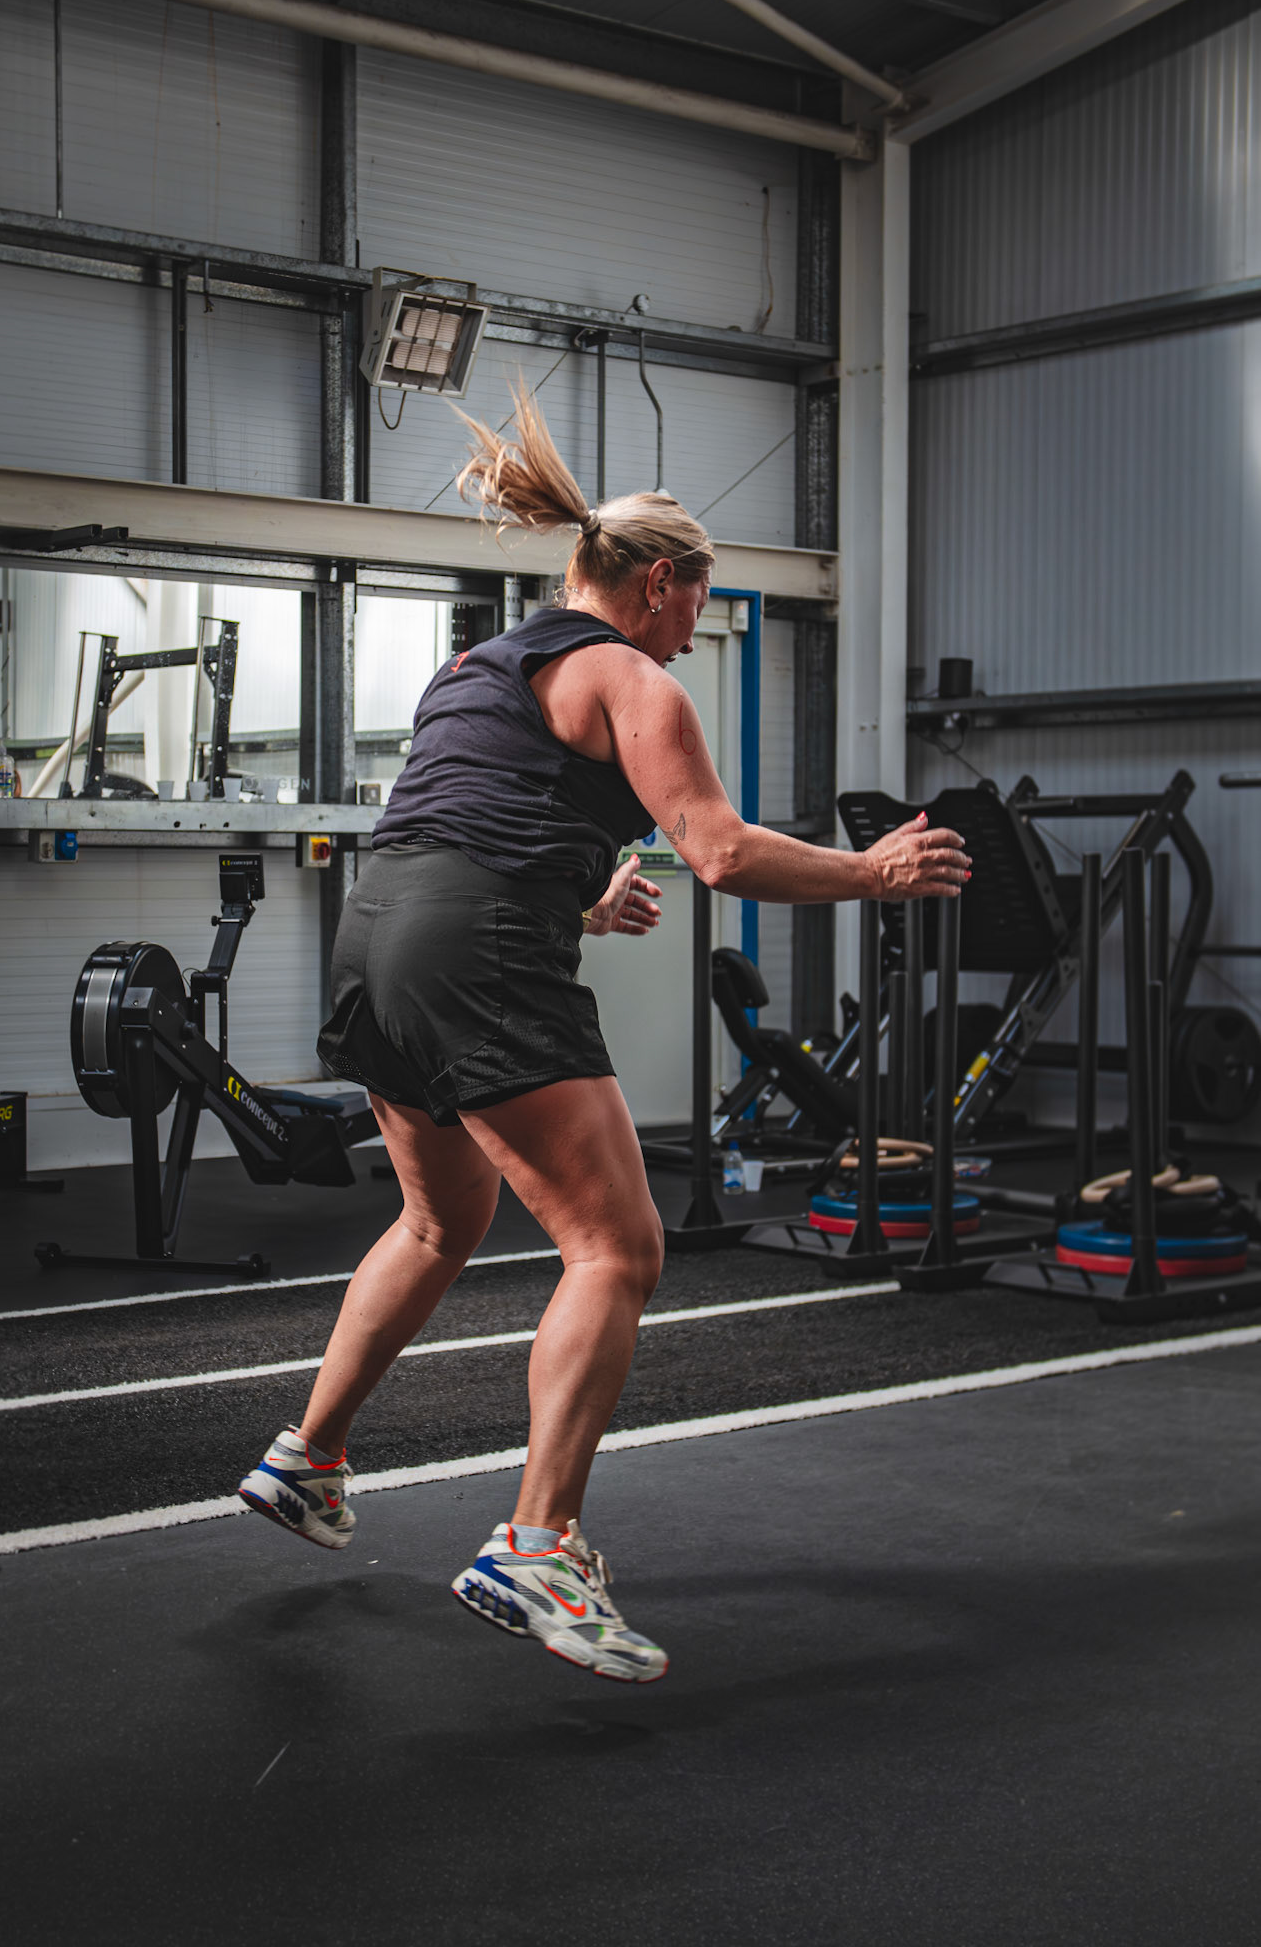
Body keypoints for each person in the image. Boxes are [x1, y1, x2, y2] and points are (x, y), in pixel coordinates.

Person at [238, 384, 969, 1683]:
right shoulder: (631, 676)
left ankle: (309, 1457)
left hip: (378, 937)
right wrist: (875, 874)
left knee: (437, 1223)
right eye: (698, 601)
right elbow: (721, 852)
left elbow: (471, 819)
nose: (694, 630)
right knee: (617, 1247)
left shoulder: (475, 666)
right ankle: (538, 1544)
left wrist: (578, 896)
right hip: (475, 949)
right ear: (659, 584)